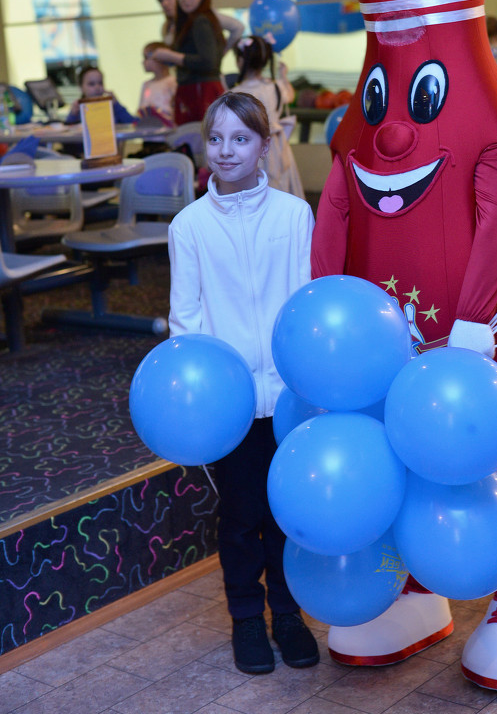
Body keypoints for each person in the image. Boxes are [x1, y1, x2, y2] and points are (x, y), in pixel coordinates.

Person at [167, 92, 318, 676]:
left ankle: (287, 614)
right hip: (228, 407)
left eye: (241, 139)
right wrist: (210, 395)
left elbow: (305, 306)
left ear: (265, 145)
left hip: (289, 398)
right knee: (240, 516)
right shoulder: (189, 227)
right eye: (216, 139)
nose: (226, 151)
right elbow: (186, 321)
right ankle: (247, 620)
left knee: (285, 514)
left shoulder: (293, 216)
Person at [152, 0, 244, 125]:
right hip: (194, 89)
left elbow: (208, 60)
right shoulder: (183, 22)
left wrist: (172, 56)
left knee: (201, 141)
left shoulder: (201, 20)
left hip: (201, 90)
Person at [230, 34, 305, 199]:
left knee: (256, 194)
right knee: (280, 190)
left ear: (241, 61)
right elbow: (290, 96)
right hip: (277, 147)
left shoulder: (235, 93)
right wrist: (283, 75)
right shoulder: (275, 86)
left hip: (251, 151)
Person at [64, 65, 135, 125]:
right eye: (91, 84)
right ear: (81, 87)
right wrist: (73, 115)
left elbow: (133, 123)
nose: (97, 87)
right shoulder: (78, 109)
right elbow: (67, 137)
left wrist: (116, 105)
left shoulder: (111, 107)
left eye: (100, 83)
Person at [138, 42, 177, 124]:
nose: (143, 62)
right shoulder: (146, 84)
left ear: (160, 58)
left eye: (146, 58)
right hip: (149, 131)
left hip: (168, 131)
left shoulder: (172, 82)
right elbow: (141, 108)